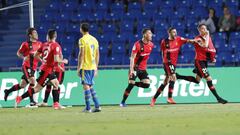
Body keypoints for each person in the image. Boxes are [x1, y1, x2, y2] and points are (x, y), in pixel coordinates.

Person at [15, 29, 68, 109]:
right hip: (47, 71)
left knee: (56, 84)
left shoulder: (44, 44)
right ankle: (20, 98)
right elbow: (56, 59)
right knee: (37, 89)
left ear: (48, 36)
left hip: (46, 69)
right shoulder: (56, 45)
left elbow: (36, 55)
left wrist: (43, 60)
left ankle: (56, 104)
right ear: (55, 36)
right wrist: (64, 61)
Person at [176, 24, 228, 104]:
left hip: (204, 61)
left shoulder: (207, 38)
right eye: (202, 29)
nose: (204, 30)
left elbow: (210, 48)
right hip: (199, 61)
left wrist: (212, 58)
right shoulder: (198, 39)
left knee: (197, 80)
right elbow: (205, 45)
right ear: (199, 31)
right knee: (209, 79)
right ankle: (218, 98)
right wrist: (207, 36)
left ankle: (178, 76)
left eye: (205, 28)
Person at [150, 27, 196, 106]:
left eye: (176, 32)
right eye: (174, 32)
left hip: (174, 64)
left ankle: (154, 98)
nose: (175, 33)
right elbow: (162, 52)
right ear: (169, 33)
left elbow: (188, 40)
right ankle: (169, 98)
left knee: (165, 82)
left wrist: (196, 41)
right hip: (167, 62)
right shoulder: (164, 42)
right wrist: (164, 63)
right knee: (173, 77)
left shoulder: (178, 39)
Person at [4, 28, 42, 106]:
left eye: (36, 32)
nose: (36, 34)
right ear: (30, 35)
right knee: (32, 81)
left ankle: (8, 91)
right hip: (26, 66)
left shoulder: (40, 44)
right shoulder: (25, 44)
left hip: (33, 68)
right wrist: (23, 57)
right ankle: (32, 101)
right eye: (34, 33)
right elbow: (18, 53)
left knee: (22, 85)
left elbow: (41, 54)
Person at [120, 28, 154, 107]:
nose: (151, 35)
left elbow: (145, 57)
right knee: (130, 85)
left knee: (147, 84)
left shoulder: (151, 45)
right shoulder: (137, 45)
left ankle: (133, 83)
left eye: (151, 33)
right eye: (149, 33)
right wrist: (131, 70)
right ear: (145, 35)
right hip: (135, 68)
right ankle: (122, 102)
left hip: (142, 69)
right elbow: (132, 58)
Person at [77, 23, 101, 113]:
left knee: (85, 86)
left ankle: (88, 108)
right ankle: (97, 105)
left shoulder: (82, 40)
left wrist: (79, 67)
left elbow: (81, 54)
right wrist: (96, 67)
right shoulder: (94, 39)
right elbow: (98, 54)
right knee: (90, 86)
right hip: (92, 66)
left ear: (81, 29)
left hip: (85, 66)